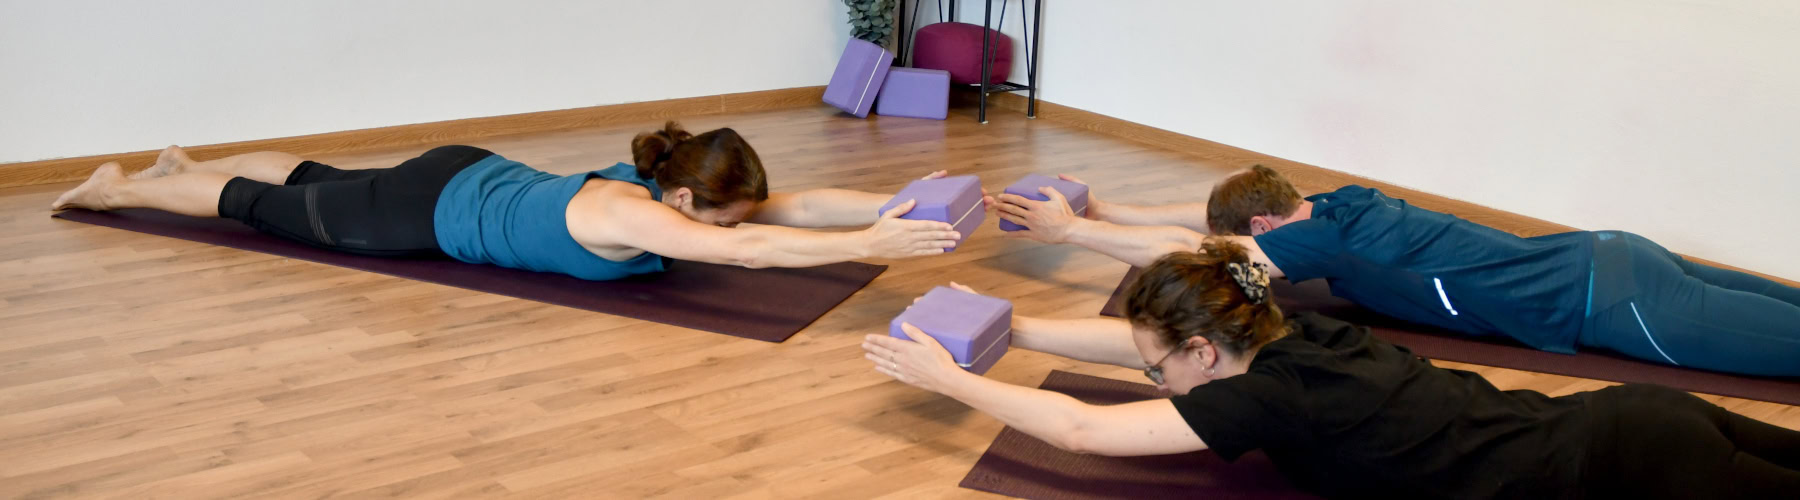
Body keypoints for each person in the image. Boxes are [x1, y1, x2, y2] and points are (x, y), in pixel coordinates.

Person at [863, 240, 1800, 499]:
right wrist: (1010, 326)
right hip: (1637, 418)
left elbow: (1081, 431)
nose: (1152, 380)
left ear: (1202, 353)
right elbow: (1132, 344)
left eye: (1160, 371)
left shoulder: (1268, 399)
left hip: (1634, 468)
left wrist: (945, 380)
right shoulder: (1289, 333)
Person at [994, 166, 1800, 376]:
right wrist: (1105, 211)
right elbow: (1209, 227)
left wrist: (1074, 236)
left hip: (1617, 303)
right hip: (1615, 250)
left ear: (1269, 227)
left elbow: (1205, 253)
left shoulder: (1318, 249)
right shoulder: (1340, 204)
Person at [52, 121, 975, 280]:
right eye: (726, 211)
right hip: (417, 218)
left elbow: (798, 209)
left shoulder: (661, 180)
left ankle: (180, 161)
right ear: (687, 196)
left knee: (314, 174)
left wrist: (896, 200)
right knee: (260, 204)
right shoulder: (641, 216)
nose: (741, 221)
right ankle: (118, 189)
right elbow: (746, 253)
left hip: (464, 168)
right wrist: (875, 247)